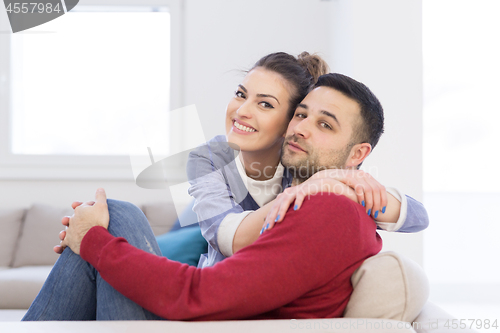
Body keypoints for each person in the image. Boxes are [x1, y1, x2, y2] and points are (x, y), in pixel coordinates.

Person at [23, 73, 426, 321]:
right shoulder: (303, 190)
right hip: (220, 313)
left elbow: (196, 295)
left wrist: (93, 241)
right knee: (112, 216)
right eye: (302, 115)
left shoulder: (332, 209)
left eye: (325, 124)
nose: (302, 129)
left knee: (110, 220)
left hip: (206, 318)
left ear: (357, 155)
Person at [186, 53, 427, 269]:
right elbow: (229, 238)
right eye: (241, 94)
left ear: (288, 121)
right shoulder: (209, 157)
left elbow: (416, 216)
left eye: (265, 104)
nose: (241, 111)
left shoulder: (301, 157)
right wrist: (314, 186)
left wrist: (328, 184)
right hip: (213, 277)